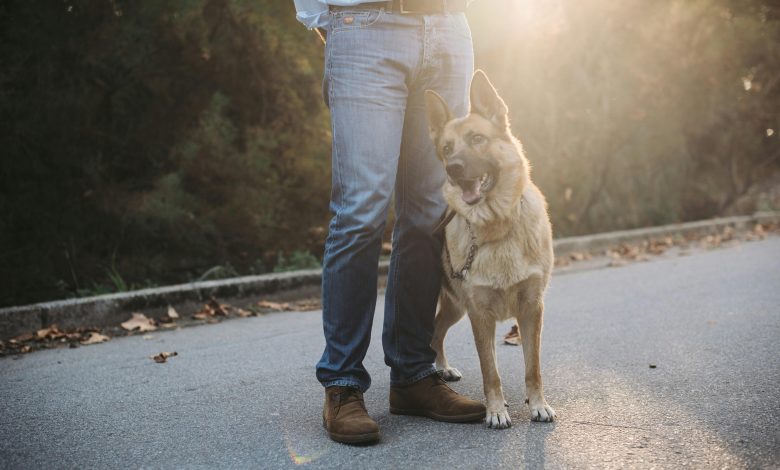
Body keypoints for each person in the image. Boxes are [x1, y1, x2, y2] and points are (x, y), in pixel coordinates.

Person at [293, 0, 485, 444]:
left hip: (447, 26)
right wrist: (328, 19)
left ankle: (414, 374)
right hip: (364, 25)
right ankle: (342, 384)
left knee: (429, 213)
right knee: (362, 209)